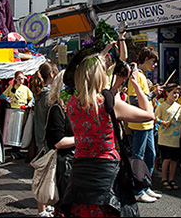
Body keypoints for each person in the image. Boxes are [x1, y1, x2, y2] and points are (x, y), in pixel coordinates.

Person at [61, 53, 155, 217]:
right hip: (106, 170)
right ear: (100, 76)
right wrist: (135, 82)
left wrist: (116, 84)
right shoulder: (106, 103)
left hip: (81, 169)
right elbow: (148, 114)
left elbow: (101, 99)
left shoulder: (72, 103)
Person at [126, 47, 163, 202]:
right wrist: (154, 94)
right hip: (140, 124)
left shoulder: (141, 75)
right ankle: (138, 189)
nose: (154, 65)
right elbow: (134, 100)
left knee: (150, 155)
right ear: (146, 59)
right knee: (138, 157)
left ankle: (146, 186)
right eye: (153, 61)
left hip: (148, 124)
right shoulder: (136, 75)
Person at [45, 70, 75, 218]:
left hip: (75, 162)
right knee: (65, 206)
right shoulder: (56, 109)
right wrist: (83, 138)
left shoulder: (74, 107)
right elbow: (58, 142)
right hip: (64, 166)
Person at [30, 62, 58, 217]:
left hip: (41, 137)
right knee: (44, 174)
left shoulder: (41, 93)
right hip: (47, 139)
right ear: (52, 75)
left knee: (44, 172)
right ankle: (42, 209)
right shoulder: (48, 95)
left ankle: (44, 207)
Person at [154, 83, 181, 190]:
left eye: (177, 93)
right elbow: (155, 118)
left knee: (174, 160)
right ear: (167, 93)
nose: (176, 95)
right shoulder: (162, 106)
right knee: (166, 159)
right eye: (174, 93)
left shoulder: (179, 107)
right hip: (165, 137)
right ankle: (164, 178)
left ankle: (171, 179)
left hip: (176, 138)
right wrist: (163, 123)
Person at [2, 71, 33, 160]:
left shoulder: (25, 89)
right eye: (19, 79)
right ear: (15, 79)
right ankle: (14, 150)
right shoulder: (11, 88)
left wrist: (30, 103)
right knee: (13, 132)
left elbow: (32, 97)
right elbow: (2, 95)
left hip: (22, 111)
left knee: (20, 131)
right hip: (13, 111)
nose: (20, 80)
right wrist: (6, 98)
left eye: (22, 79)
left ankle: (18, 150)